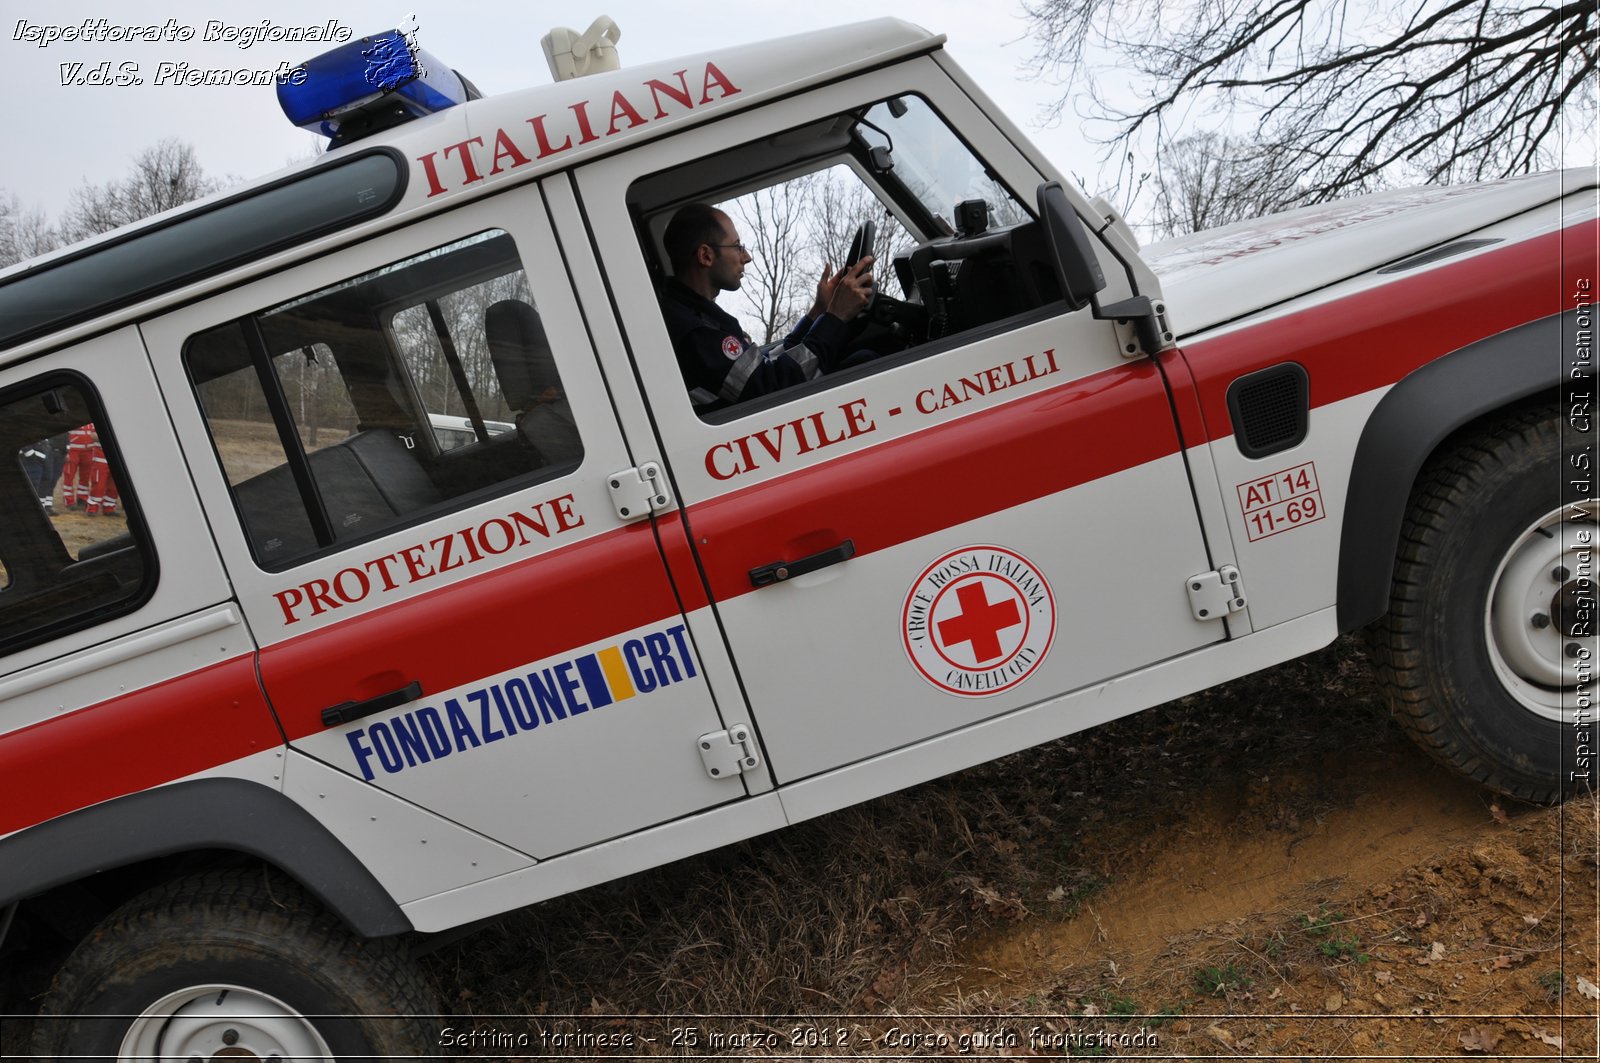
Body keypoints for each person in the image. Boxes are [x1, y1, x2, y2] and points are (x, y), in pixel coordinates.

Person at [658, 203, 875, 410]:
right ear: (706, 256)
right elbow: (774, 389)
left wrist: (819, 312)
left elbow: (765, 365)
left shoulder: (696, 317)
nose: (747, 257)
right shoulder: (694, 333)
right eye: (737, 246)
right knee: (864, 361)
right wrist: (835, 318)